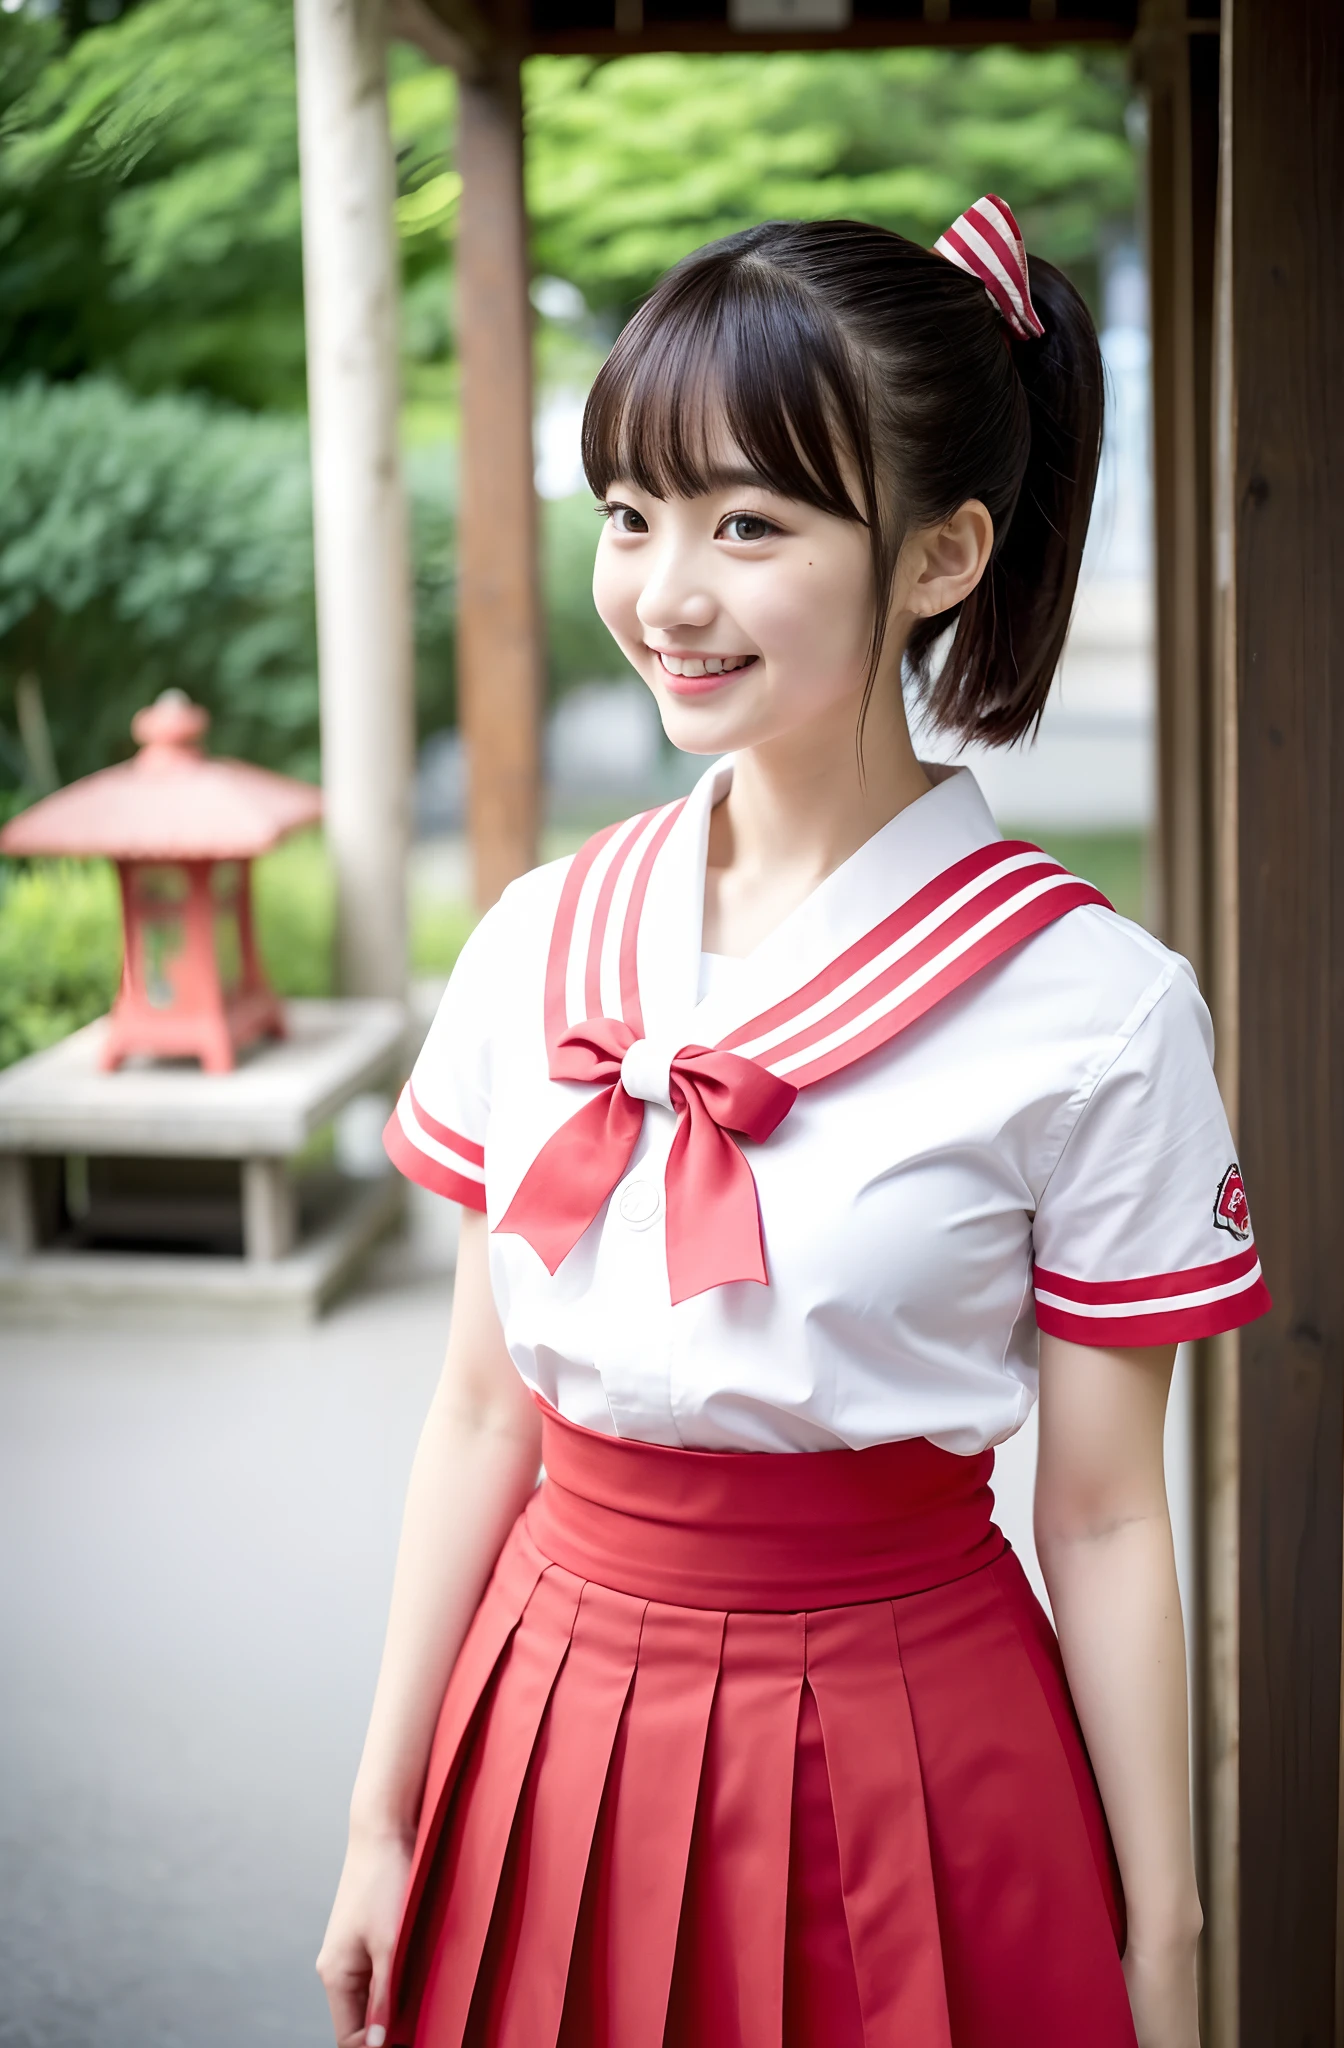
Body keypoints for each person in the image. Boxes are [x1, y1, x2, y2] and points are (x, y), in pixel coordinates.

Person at [317, 202, 1270, 2048]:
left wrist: (1163, 1939)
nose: (667, 591)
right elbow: (476, 1407)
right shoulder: (537, 939)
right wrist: (378, 1813)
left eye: (750, 523)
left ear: (941, 555)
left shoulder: (1096, 1007)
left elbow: (1100, 1517)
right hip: (543, 1712)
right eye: (631, 513)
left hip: (910, 1737)